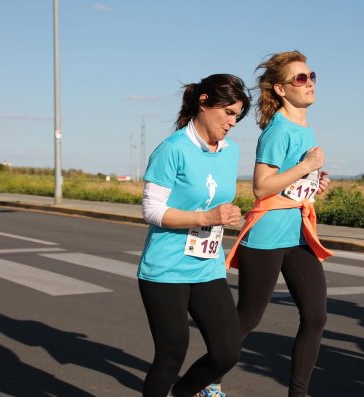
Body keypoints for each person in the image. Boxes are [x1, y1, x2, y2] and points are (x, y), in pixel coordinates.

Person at [211, 50, 334, 396]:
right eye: (300, 78)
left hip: (297, 236)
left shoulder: (304, 129)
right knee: (247, 319)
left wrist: (313, 184)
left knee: (316, 317)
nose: (308, 83)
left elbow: (290, 183)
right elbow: (261, 186)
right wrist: (304, 167)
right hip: (266, 236)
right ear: (280, 89)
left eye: (311, 76)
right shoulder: (278, 129)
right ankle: (207, 379)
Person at [138, 74, 251, 397]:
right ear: (203, 102)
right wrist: (204, 217)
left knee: (227, 352)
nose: (232, 122)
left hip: (206, 265)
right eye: (228, 112)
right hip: (166, 268)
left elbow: (216, 202)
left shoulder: (229, 152)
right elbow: (151, 210)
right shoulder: (172, 149)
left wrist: (228, 213)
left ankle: (184, 392)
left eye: (237, 116)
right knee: (171, 354)